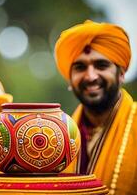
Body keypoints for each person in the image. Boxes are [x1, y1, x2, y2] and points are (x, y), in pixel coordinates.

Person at [55, 20, 137, 194]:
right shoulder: (57, 136)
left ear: (121, 73)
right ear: (70, 79)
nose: (91, 76)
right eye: (80, 67)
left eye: (101, 65)